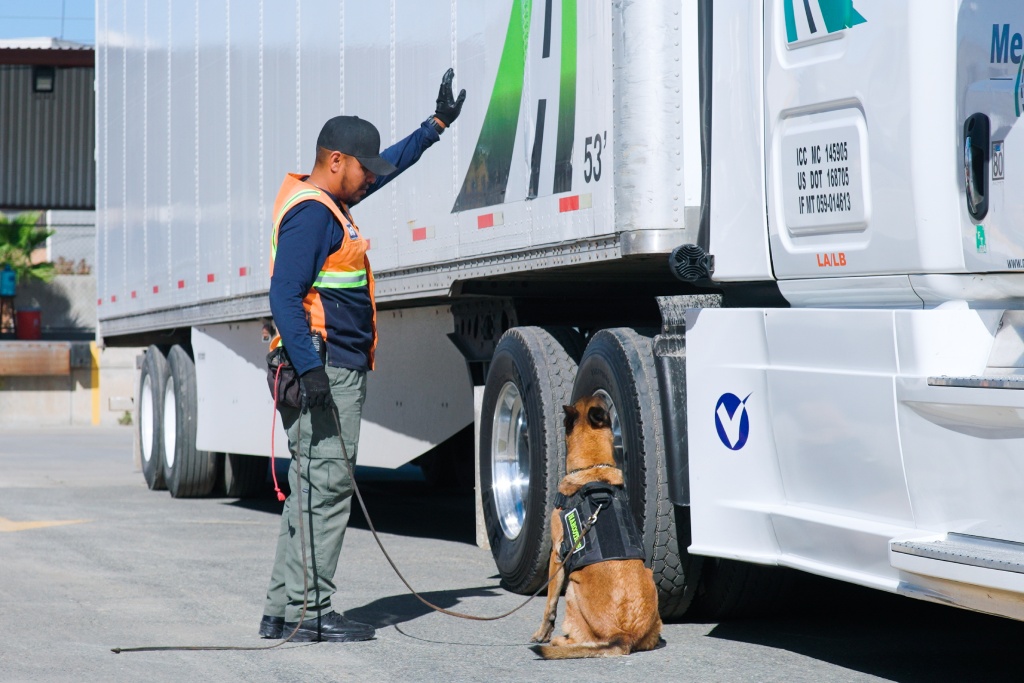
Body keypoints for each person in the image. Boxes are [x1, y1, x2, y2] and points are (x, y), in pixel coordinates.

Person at [259, 70, 466, 643]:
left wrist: (435, 128)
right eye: (362, 167)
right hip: (325, 368)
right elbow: (283, 296)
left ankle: (281, 610)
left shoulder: (327, 200)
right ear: (335, 161)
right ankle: (313, 614)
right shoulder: (312, 215)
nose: (369, 177)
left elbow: (391, 164)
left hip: (326, 365)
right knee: (326, 490)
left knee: (307, 488)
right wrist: (310, 370)